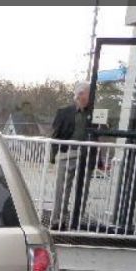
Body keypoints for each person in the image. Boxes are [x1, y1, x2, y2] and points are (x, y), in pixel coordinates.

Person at [49, 82, 96, 229]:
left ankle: (77, 221)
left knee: (83, 189)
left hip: (86, 156)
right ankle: (58, 220)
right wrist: (53, 155)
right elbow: (55, 134)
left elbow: (99, 135)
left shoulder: (94, 113)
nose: (92, 97)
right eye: (89, 93)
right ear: (81, 94)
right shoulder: (64, 112)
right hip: (67, 153)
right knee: (62, 188)